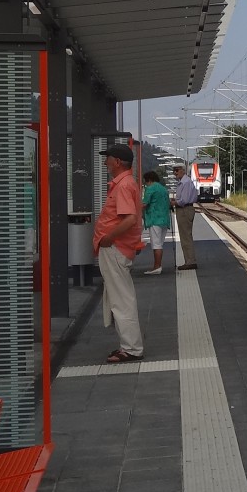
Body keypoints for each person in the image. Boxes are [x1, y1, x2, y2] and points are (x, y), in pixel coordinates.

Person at [94, 143, 144, 362]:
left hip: (116, 249)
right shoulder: (124, 184)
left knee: (122, 300)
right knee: (120, 298)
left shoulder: (123, 185)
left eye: (108, 158)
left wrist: (109, 237)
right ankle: (128, 345)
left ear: (117, 162)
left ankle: (131, 348)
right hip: (116, 248)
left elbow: (130, 218)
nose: (105, 162)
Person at [141, 170, 170, 275]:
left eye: (145, 181)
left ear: (149, 180)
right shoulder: (163, 189)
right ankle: (158, 266)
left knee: (156, 244)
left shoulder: (150, 188)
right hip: (165, 219)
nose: (145, 184)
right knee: (160, 244)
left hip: (154, 219)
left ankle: (157, 267)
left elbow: (144, 204)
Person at [172, 163, 199, 270]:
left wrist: (174, 203)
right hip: (184, 209)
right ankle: (189, 260)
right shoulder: (183, 182)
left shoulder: (185, 182)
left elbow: (184, 200)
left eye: (177, 170)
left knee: (185, 236)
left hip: (184, 210)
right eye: (174, 171)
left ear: (183, 170)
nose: (175, 173)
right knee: (185, 236)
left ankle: (190, 261)